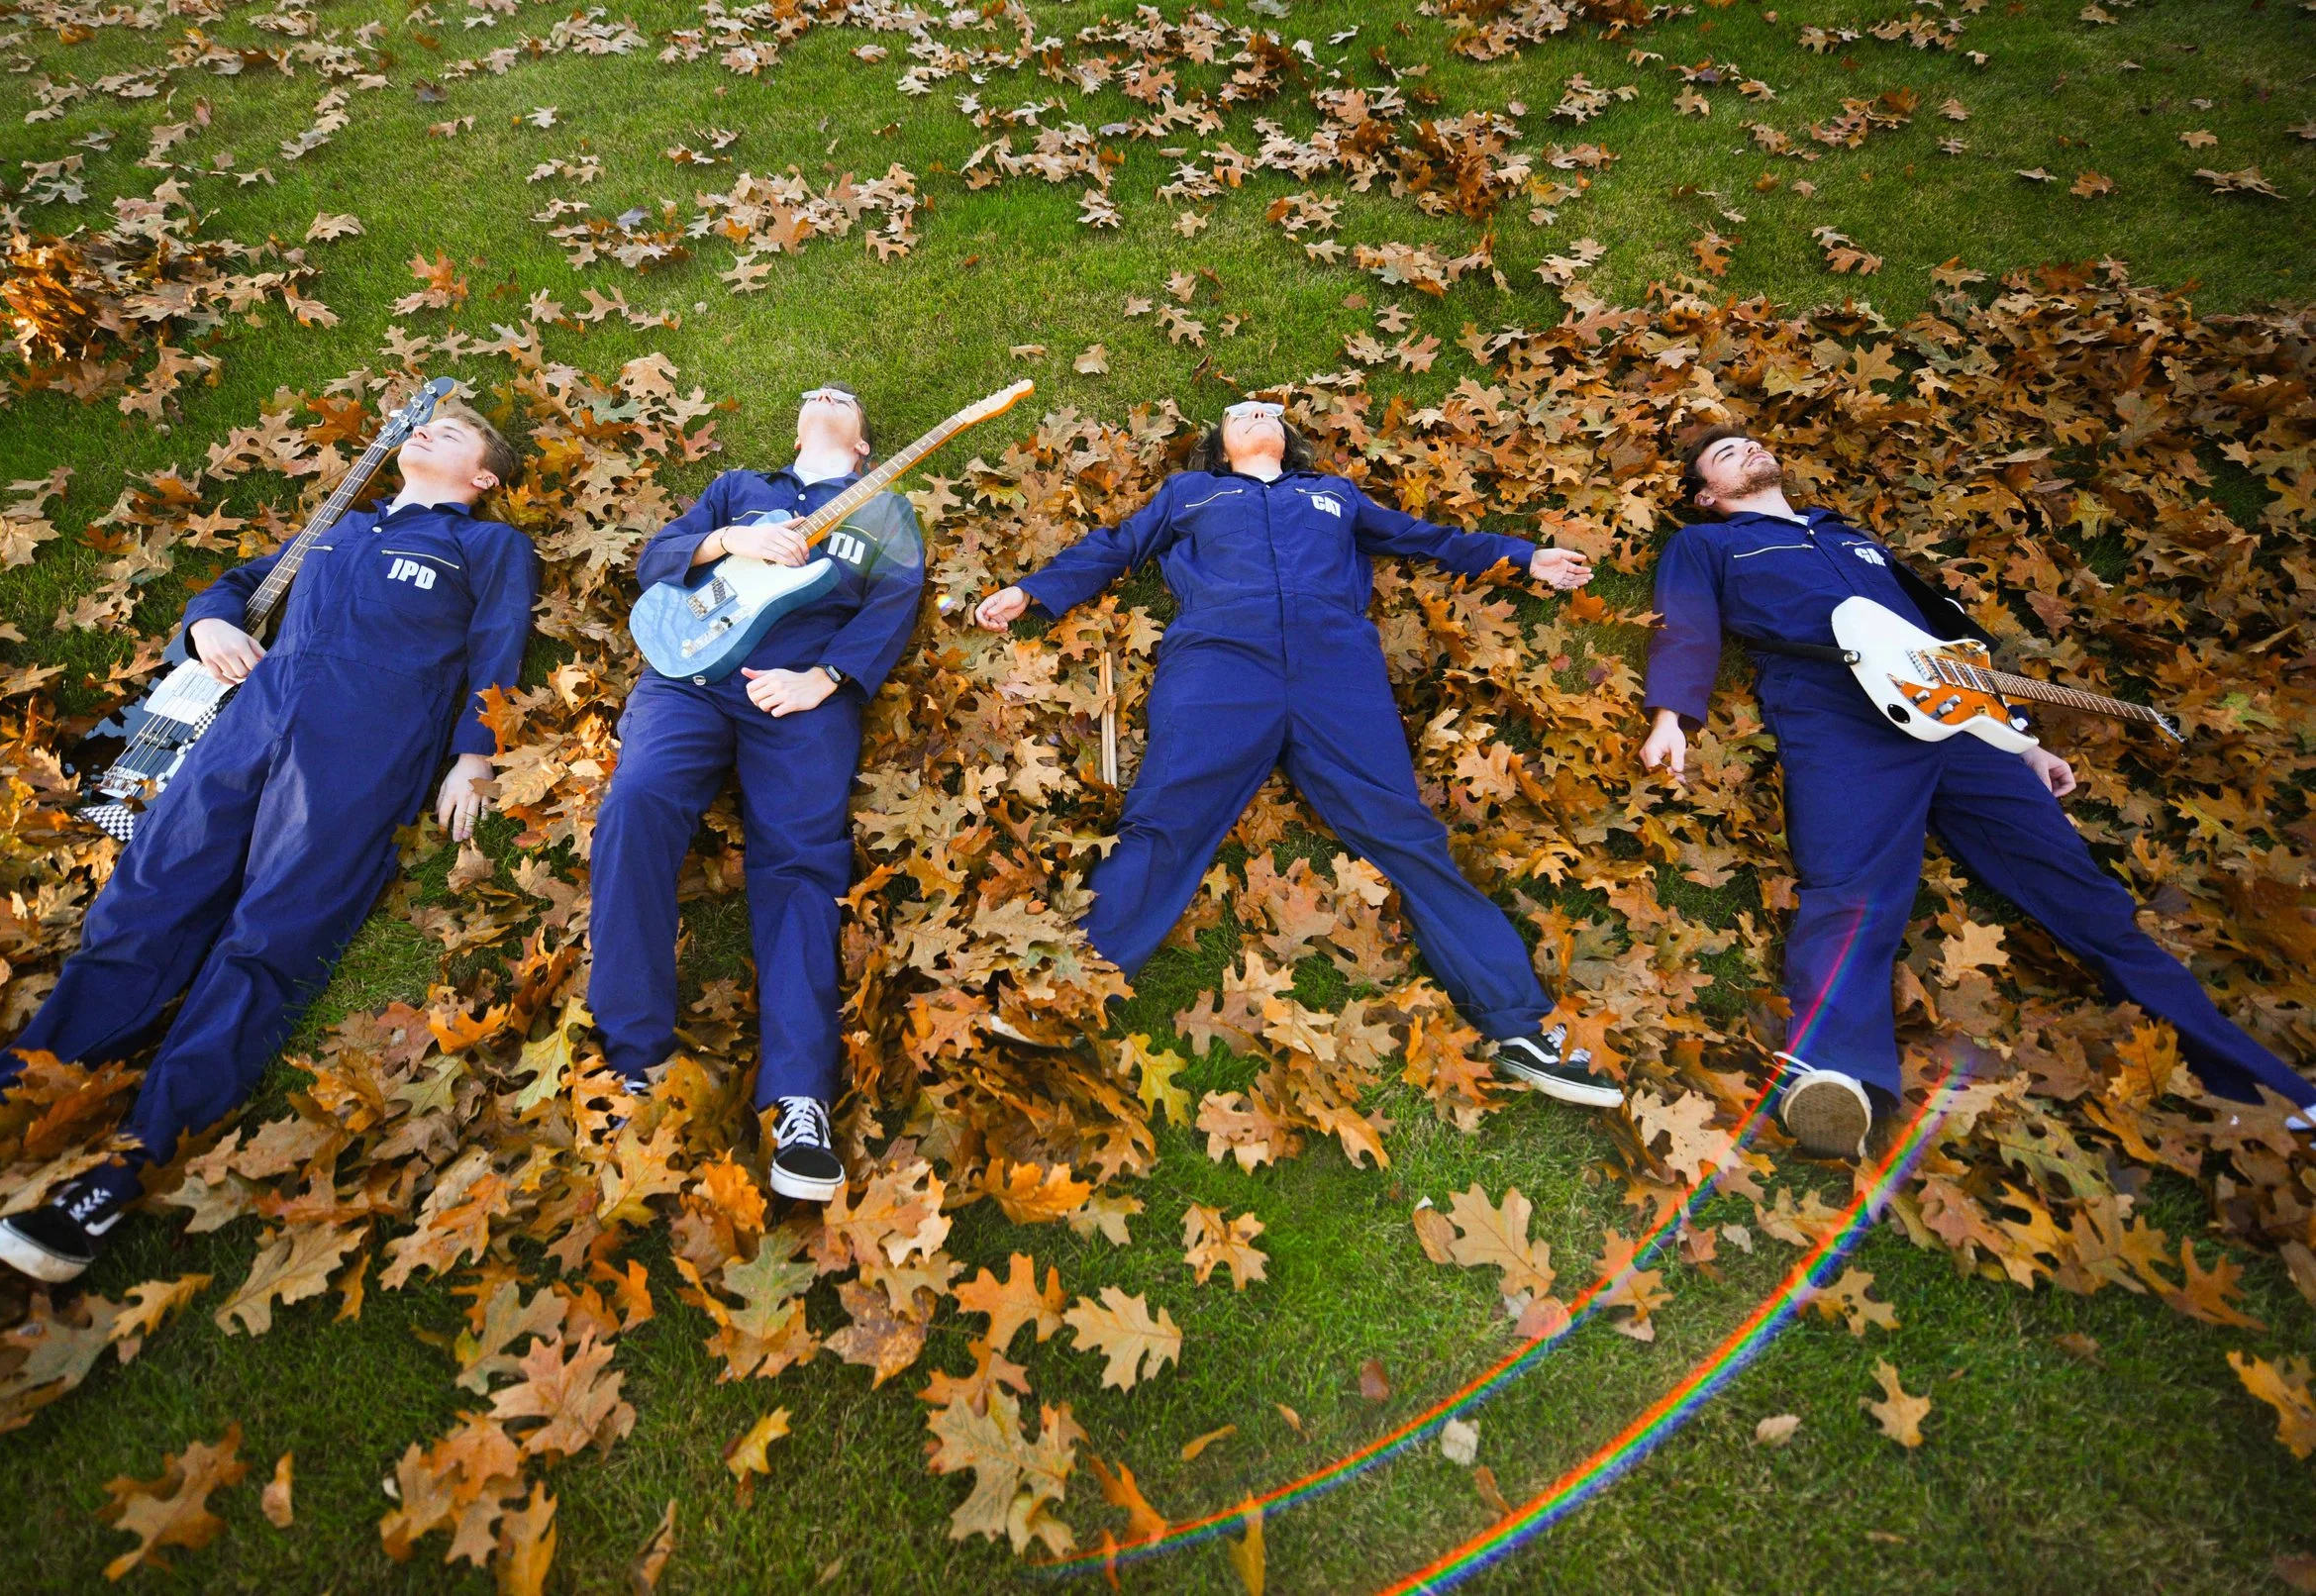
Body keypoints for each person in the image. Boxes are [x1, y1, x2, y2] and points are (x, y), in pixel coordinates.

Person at [0, 403, 540, 1277]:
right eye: (424, 423)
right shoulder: (337, 529)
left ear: (484, 479)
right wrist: (207, 624)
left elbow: (497, 648)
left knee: (263, 944)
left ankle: (121, 1174)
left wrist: (474, 758)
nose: (430, 428)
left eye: (457, 430)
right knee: (131, 931)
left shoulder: (488, 548)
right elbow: (239, 584)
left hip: (361, 753)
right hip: (243, 737)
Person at [1639, 426, 2316, 1158]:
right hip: (1834, 714)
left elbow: (1951, 646)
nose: (1748, 450)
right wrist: (1672, 715)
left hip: (1960, 726)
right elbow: (1686, 623)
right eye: (1726, 454)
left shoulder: (1853, 538)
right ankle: (1837, 1078)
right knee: (1852, 889)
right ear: (1708, 495)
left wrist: (2020, 741)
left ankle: (2268, 1089)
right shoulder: (1708, 545)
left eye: (1750, 442)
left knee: (2087, 898)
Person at [973, 399, 1622, 1108]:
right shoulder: (1191, 493)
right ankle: (1065, 995)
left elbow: (1422, 537)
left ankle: (1521, 1026)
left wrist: (1523, 555)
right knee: (1165, 825)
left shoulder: (1334, 496)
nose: (1257, 415)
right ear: (1220, 446)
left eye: (1268, 412)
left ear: (1288, 440)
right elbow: (1116, 545)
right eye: (1240, 413)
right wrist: (1031, 592)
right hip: (1219, 669)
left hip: (1336, 674)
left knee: (1407, 835)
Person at [588, 384, 924, 1202]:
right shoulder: (741, 487)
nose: (828, 393)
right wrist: (729, 538)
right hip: (687, 680)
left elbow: (895, 602)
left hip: (799, 696)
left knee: (802, 861)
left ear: (865, 448)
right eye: (815, 392)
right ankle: (634, 1058)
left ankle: (800, 1098)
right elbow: (655, 559)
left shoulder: (886, 510)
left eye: (847, 398)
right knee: (634, 804)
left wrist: (828, 677)